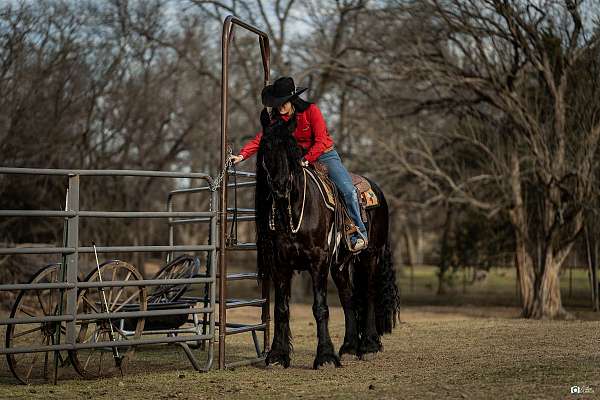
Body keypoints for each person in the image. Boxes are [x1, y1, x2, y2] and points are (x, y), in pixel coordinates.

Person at [230, 76, 368, 251]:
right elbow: (262, 139)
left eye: (283, 103)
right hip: (297, 158)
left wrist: (306, 159)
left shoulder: (312, 111)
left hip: (324, 155)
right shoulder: (277, 120)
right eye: (277, 103)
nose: (280, 107)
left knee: (348, 190)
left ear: (292, 99)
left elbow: (320, 141)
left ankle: (359, 233)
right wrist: (241, 156)